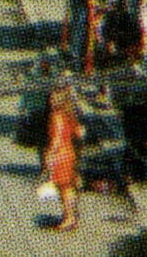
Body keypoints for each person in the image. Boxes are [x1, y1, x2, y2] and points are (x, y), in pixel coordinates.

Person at [44, 84, 84, 231]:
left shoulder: (57, 116)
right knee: (69, 188)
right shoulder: (70, 115)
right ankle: (71, 216)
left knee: (64, 189)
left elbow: (57, 139)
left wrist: (49, 156)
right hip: (70, 152)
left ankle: (68, 218)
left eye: (53, 98)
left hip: (60, 155)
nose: (51, 101)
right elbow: (80, 133)